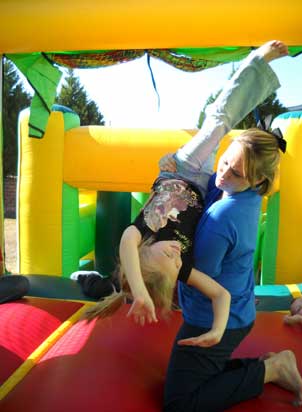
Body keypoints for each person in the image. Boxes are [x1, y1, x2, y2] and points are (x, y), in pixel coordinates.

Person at [82, 41, 287, 334]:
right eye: (178, 263)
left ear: (146, 248)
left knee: (219, 119)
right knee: (227, 138)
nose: (178, 253)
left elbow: (126, 244)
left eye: (169, 255)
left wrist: (139, 292)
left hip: (183, 168)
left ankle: (257, 62)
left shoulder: (147, 229)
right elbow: (220, 294)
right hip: (203, 189)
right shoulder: (181, 266)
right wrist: (219, 328)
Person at [162, 42, 302, 412]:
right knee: (192, 379)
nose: (223, 171)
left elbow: (201, 277)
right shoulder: (245, 194)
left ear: (255, 178)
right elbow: (218, 122)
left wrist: (161, 258)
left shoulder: (221, 218)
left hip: (218, 319)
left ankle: (271, 369)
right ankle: (264, 367)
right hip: (237, 311)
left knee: (179, 404)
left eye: (234, 170)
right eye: (225, 160)